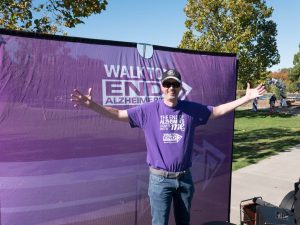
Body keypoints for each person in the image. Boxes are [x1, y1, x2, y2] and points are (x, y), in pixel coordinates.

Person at [71, 69, 265, 225]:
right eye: (167, 84)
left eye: (175, 84)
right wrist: (92, 106)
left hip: (185, 179)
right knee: (159, 222)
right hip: (159, 180)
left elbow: (217, 110)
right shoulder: (148, 110)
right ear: (161, 87)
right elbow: (118, 114)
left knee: (184, 221)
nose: (171, 87)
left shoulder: (191, 109)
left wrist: (245, 99)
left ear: (180, 87)